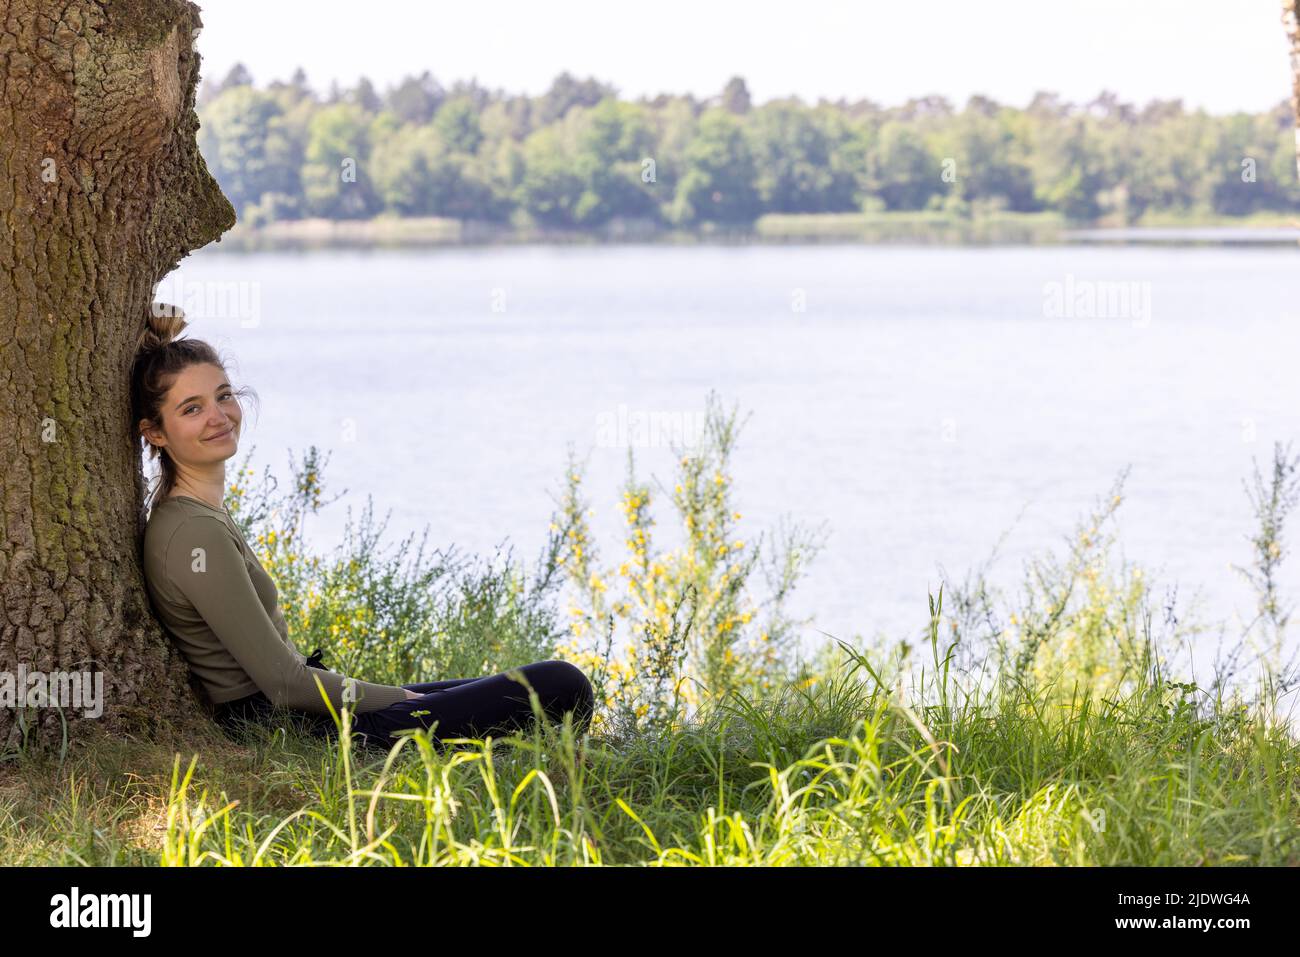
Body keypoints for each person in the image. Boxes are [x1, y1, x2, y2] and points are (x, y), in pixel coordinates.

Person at [130, 306, 595, 754]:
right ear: (155, 433)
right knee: (559, 684)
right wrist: (391, 699)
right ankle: (527, 760)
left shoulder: (198, 516)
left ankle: (521, 757)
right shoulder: (194, 533)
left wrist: (394, 697)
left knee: (505, 689)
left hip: (305, 714)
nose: (218, 416)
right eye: (192, 409)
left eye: (223, 395)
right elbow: (284, 681)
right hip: (296, 728)